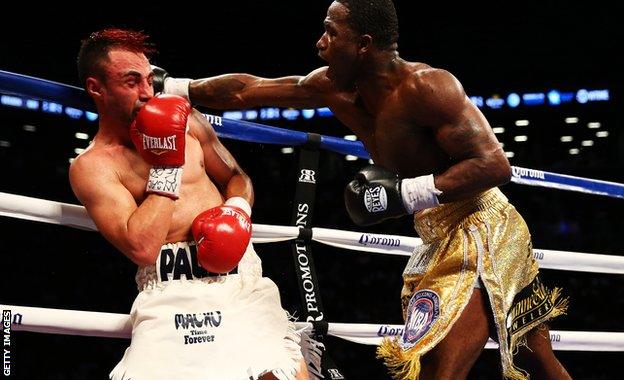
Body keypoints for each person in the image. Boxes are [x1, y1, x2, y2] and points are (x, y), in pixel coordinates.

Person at [154, 1, 572, 379]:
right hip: (437, 231)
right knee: (537, 358)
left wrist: (406, 194)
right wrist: (170, 88)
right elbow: (247, 89)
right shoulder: (332, 86)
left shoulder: (428, 87)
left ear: (364, 44)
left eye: (332, 33)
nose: (320, 43)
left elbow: (494, 165)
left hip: (482, 230)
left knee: (436, 371)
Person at [69, 28, 309, 380]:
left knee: (284, 374)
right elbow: (142, 246)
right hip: (168, 290)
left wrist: (236, 212)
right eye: (131, 81)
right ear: (96, 88)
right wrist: (167, 164)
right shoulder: (93, 167)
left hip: (238, 280)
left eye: (149, 79)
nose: (147, 93)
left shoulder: (188, 122)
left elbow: (236, 177)